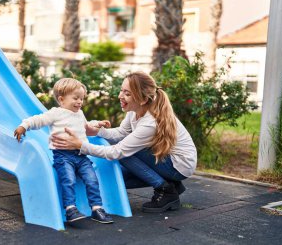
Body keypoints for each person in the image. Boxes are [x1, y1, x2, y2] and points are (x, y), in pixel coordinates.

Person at [51, 72, 197, 213]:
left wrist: (80, 145)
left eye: (127, 94)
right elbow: (121, 133)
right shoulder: (134, 111)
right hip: (164, 159)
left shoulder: (149, 123)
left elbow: (117, 152)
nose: (120, 96)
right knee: (116, 178)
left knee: (124, 153)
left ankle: (166, 189)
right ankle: (171, 184)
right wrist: (96, 131)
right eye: (122, 91)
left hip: (178, 166)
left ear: (143, 100)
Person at [14, 78, 113, 224]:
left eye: (82, 98)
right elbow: (38, 119)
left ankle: (97, 208)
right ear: (61, 99)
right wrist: (24, 126)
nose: (80, 102)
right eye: (75, 98)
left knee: (92, 179)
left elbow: (86, 127)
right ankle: (70, 209)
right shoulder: (56, 113)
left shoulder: (80, 113)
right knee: (69, 180)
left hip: (81, 155)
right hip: (63, 156)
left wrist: (98, 124)